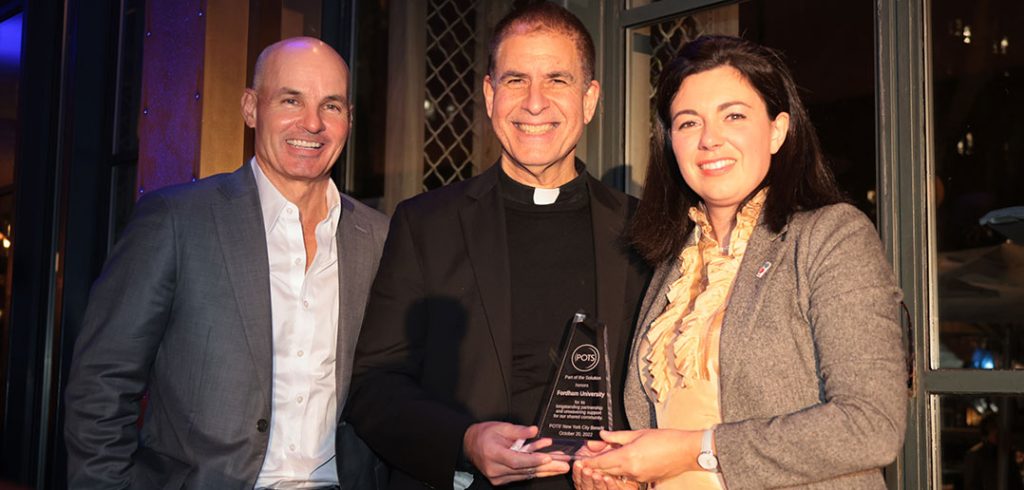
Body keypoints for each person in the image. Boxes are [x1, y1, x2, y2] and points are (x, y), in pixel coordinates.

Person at [572, 35, 907, 489]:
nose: (710, 139)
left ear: (777, 130)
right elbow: (674, 425)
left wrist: (695, 449)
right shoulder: (674, 262)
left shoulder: (831, 236)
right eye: (688, 123)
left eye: (733, 116)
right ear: (670, 141)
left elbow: (872, 425)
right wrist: (625, 471)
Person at [345, 3, 650, 489]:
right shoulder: (426, 224)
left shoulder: (644, 231)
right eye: (514, 80)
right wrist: (464, 441)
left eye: (557, 80)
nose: (534, 102)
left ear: (590, 99)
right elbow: (374, 387)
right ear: (489, 95)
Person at [63, 37, 389, 488]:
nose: (312, 123)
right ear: (251, 107)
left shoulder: (379, 238)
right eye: (290, 99)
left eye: (331, 106)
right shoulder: (177, 222)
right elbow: (102, 384)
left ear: (349, 119)